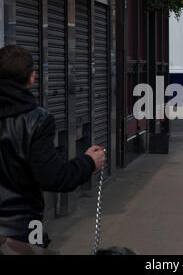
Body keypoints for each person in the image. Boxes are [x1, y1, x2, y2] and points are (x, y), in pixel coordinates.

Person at [0, 45, 105, 247]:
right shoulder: (36, 120)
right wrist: (89, 162)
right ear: (32, 78)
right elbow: (53, 178)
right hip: (23, 229)